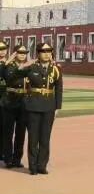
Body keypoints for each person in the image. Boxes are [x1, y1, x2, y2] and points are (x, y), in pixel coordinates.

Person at [22, 43, 63, 175]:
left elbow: (59, 89)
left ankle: (42, 166)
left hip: (49, 107)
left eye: (49, 51)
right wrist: (25, 64)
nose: (46, 54)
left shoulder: (55, 69)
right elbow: (16, 74)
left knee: (45, 138)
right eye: (43, 52)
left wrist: (57, 107)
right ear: (38, 54)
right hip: (33, 106)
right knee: (33, 138)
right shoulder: (31, 67)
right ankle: (33, 167)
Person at [2, 45, 33, 168]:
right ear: (15, 54)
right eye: (20, 52)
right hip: (10, 101)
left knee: (21, 133)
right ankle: (8, 159)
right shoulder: (9, 66)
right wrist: (21, 68)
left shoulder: (29, 66)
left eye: (25, 53)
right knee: (8, 132)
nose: (22, 54)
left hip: (24, 102)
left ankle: (17, 159)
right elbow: (9, 78)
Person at [0, 41, 7, 165]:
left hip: (7, 98)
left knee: (5, 127)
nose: (2, 51)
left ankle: (3, 153)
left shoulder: (11, 62)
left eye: (4, 48)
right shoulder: (7, 62)